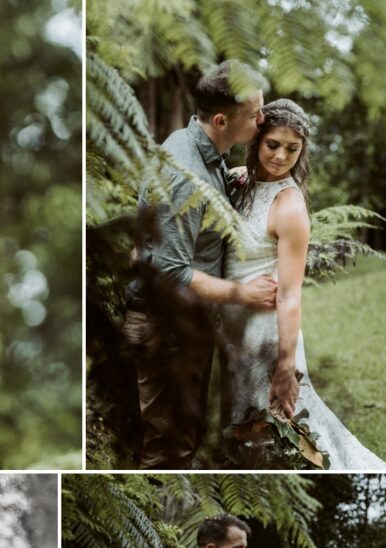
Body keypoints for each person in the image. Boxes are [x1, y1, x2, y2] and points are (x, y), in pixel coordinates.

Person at [220, 99, 386, 469]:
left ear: (303, 151)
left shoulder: (290, 207)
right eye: (273, 145)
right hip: (232, 331)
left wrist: (285, 365)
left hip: (268, 336)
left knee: (288, 434)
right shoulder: (237, 181)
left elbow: (291, 293)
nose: (281, 156)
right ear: (256, 140)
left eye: (292, 149)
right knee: (244, 431)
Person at [124, 60, 277, 469]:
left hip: (185, 325)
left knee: (184, 437)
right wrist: (242, 293)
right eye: (255, 114)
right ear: (223, 119)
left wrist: (234, 180)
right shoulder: (185, 172)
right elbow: (171, 273)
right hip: (167, 327)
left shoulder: (199, 149)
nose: (262, 121)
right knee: (169, 450)